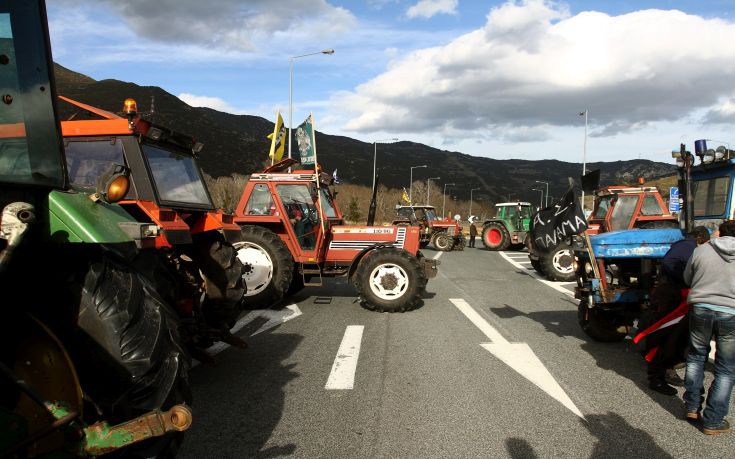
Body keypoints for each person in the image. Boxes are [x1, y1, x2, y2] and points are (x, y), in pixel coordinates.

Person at [683, 220, 735, 435]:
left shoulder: (702, 250)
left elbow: (688, 278)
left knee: (696, 357)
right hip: (731, 313)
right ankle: (713, 420)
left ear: (719, 233)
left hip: (701, 309)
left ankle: (692, 407)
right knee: (726, 368)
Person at [644, 226, 710, 395]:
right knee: (667, 336)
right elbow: (670, 262)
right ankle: (657, 376)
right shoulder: (688, 247)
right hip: (671, 297)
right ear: (701, 239)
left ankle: (663, 371)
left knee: (673, 338)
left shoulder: (685, 245)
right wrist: (685, 279)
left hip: (672, 296)